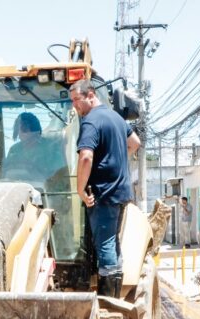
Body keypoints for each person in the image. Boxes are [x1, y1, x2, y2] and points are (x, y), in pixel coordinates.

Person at [70, 79, 141, 297]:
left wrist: (81, 190)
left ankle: (108, 303)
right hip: (120, 192)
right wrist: (117, 160)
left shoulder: (91, 121)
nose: (75, 106)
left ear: (90, 95)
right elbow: (135, 143)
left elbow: (86, 157)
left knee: (106, 246)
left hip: (103, 193)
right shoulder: (116, 118)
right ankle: (115, 298)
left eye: (76, 100)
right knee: (113, 243)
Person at [2, 112, 66, 186]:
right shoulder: (14, 150)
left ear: (35, 130)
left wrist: (34, 170)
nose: (20, 133)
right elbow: (5, 174)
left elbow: (60, 174)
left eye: (24, 129)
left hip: (46, 192)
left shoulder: (51, 148)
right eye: (18, 130)